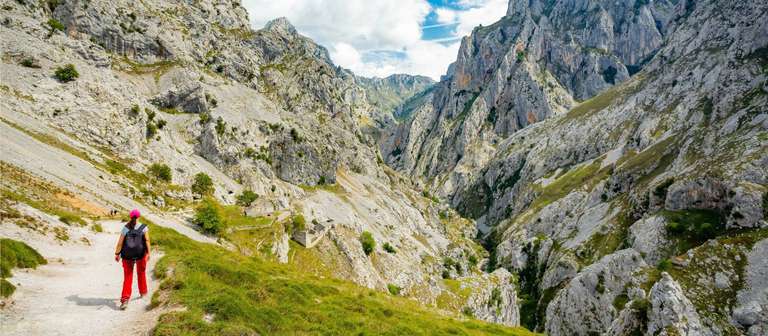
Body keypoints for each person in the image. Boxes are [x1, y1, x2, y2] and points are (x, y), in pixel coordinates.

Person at [113, 209, 151, 310]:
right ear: (139, 217)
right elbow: (147, 241)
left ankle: (125, 300)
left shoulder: (126, 228)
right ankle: (143, 292)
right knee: (141, 272)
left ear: (130, 217)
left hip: (127, 256)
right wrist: (149, 253)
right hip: (141, 254)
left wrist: (117, 254)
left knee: (128, 276)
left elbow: (120, 243)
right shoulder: (144, 227)